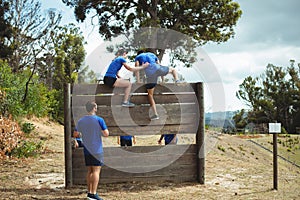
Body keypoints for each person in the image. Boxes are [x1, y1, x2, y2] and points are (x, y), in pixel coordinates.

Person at [76, 101, 109, 200]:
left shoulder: (81, 120)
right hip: (97, 149)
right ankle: (94, 193)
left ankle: (89, 192)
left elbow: (75, 134)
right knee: (96, 171)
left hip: (87, 149)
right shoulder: (99, 120)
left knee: (89, 170)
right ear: (94, 108)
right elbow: (106, 133)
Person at [135, 51, 181, 120]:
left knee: (150, 95)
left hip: (150, 75)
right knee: (173, 70)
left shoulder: (138, 57)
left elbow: (137, 69)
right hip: (158, 68)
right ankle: (177, 81)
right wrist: (163, 80)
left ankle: (155, 114)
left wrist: (138, 80)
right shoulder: (152, 55)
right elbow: (159, 65)